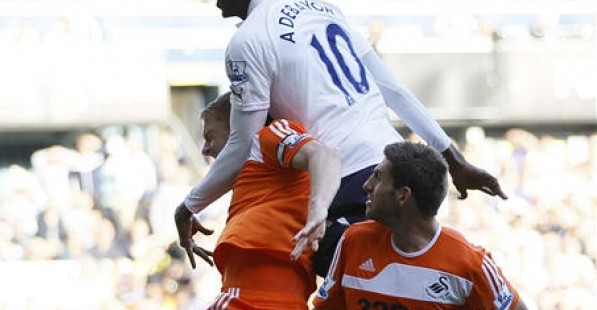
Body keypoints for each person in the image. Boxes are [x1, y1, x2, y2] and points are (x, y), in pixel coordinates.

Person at [175, 0, 507, 270]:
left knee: (311, 263)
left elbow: (243, 143)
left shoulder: (248, 39)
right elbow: (393, 90)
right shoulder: (325, 9)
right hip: (396, 164)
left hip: (349, 179)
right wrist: (454, 159)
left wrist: (189, 206)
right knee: (383, 291)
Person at [257, 141, 533, 310]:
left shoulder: (468, 261)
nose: (366, 185)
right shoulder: (353, 241)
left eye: (377, 177)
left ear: (403, 195)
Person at [148, 93, 341, 310]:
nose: (205, 149)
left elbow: (323, 155)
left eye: (210, 136)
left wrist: (319, 208)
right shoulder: (257, 177)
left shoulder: (267, 136)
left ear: (239, 125)